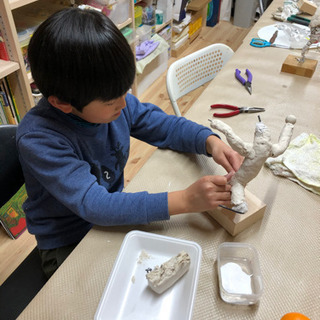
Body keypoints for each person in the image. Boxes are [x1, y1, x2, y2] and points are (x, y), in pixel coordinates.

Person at [16, 7, 242, 278]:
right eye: (112, 101)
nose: (124, 105)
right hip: (67, 238)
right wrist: (185, 199)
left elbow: (163, 125)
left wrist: (209, 141)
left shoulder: (112, 102)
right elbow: (95, 205)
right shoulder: (40, 138)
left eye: (124, 92)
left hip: (109, 214)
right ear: (62, 103)